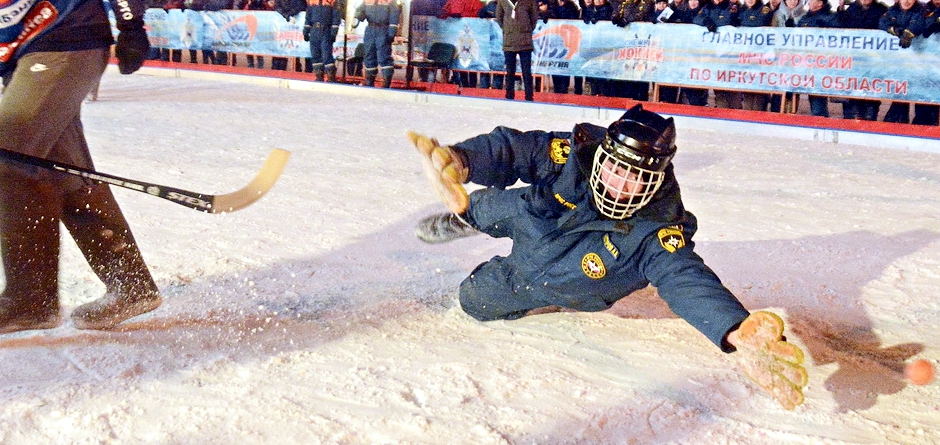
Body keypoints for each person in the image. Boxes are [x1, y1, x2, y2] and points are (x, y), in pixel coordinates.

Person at [406, 105, 809, 410]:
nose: (620, 185)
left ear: (654, 178)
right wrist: (463, 159)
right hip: (545, 216)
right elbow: (517, 150)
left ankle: (523, 282)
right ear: (602, 156)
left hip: (569, 271)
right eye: (615, 170)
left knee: (474, 300)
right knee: (501, 207)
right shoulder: (576, 152)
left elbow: (685, 278)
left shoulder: (658, 228)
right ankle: (467, 216)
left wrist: (734, 331)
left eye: (635, 178)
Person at [0, 0, 162, 334]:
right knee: (64, 171)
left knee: (9, 159)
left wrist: (130, 24)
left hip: (66, 35)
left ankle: (29, 300)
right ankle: (130, 284)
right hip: (25, 52)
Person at [837, 0, 887, 120]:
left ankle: (871, 113)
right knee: (853, 86)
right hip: (854, 58)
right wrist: (840, 10)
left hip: (873, 59)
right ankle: (852, 113)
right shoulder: (851, 9)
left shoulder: (881, 10)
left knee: (872, 87)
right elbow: (841, 27)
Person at [878, 0, 925, 123]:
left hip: (921, 60)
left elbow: (922, 23)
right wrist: (895, 30)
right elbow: (882, 23)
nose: (907, 1)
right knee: (900, 88)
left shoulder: (922, 10)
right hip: (899, 61)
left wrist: (909, 33)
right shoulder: (892, 11)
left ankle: (922, 120)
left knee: (921, 91)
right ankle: (897, 117)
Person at [496, 0, 540, 101]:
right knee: (510, 71)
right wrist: (507, 29)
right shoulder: (503, 1)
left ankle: (529, 97)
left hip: (525, 42)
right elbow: (499, 17)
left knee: (526, 72)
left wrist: (526, 29)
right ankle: (509, 96)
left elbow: (534, 17)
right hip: (509, 41)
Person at [735, 0, 774, 111]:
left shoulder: (764, 9)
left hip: (760, 57)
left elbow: (759, 24)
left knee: (759, 92)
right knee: (747, 91)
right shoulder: (740, 10)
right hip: (745, 57)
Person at [354, 0, 403, 87]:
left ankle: (386, 84)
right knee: (369, 56)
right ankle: (369, 83)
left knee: (384, 56)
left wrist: (391, 33)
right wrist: (358, 16)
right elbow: (360, 10)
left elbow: (394, 15)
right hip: (370, 29)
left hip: (383, 30)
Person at [913, 0, 940, 126]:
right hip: (926, 61)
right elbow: (922, 28)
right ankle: (922, 122)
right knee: (924, 91)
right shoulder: (923, 9)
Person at [304, 0, 345, 82]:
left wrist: (334, 32)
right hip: (314, 30)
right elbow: (308, 15)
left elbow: (336, 15)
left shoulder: (332, 1)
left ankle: (331, 77)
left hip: (326, 29)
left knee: (326, 54)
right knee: (315, 54)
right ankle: (319, 76)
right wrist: (306, 30)